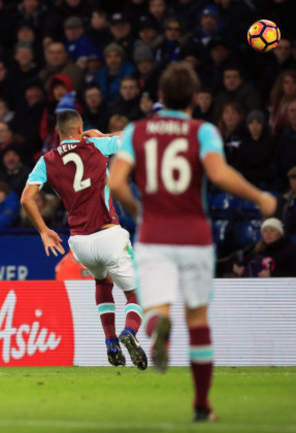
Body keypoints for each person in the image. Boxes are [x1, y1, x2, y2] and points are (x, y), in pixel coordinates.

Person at [108, 62, 277, 422]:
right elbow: (218, 173)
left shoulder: (136, 131)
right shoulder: (203, 131)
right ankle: (202, 406)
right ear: (195, 99)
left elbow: (116, 183)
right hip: (195, 235)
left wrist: (139, 211)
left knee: (156, 308)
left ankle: (156, 333)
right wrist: (259, 196)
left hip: (154, 235)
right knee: (198, 319)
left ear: (161, 96)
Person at [21, 109, 147, 370]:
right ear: (80, 129)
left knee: (103, 281)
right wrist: (104, 134)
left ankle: (111, 342)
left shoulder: (47, 160)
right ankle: (129, 333)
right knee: (138, 294)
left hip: (79, 243)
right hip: (108, 233)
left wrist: (44, 230)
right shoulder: (94, 145)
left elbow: (26, 198)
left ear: (58, 133)